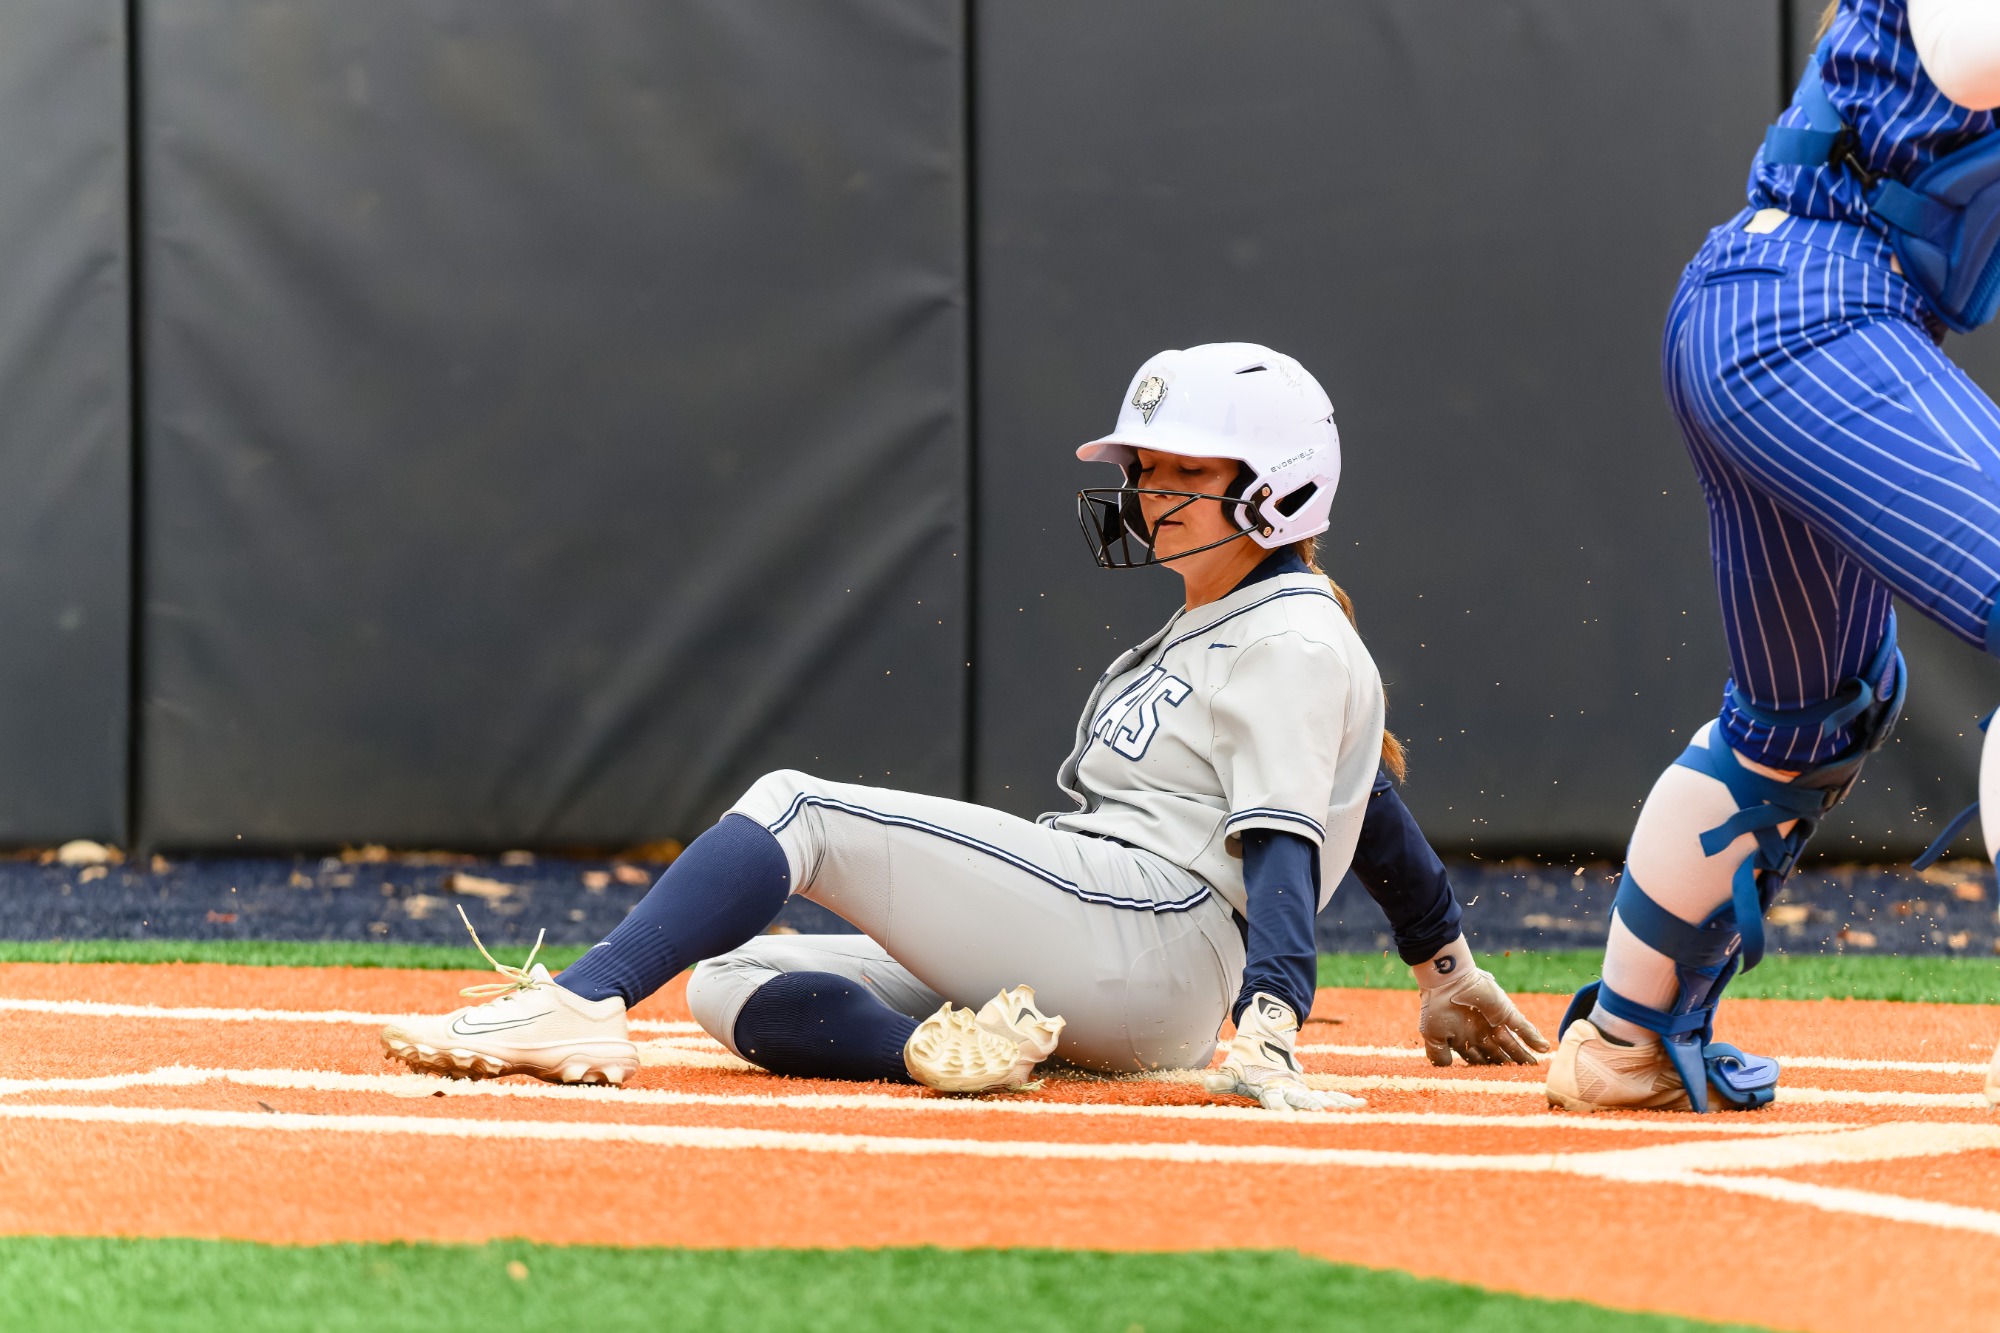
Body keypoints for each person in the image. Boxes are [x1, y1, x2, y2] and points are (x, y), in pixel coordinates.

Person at [382, 342, 1544, 1107]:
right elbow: (1369, 800)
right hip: (1120, 956)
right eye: (1147, 469)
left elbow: (1288, 839)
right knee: (725, 972)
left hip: (1152, 931)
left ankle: (578, 1002)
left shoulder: (1286, 634)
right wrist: (1443, 968)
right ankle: (937, 1054)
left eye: (1185, 469)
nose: (1150, 494)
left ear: (1279, 487)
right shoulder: (1243, 626)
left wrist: (1276, 1020)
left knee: (798, 807)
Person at [1549, 0, 2000, 1112]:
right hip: (1807, 310)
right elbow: (1969, 55)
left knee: (1804, 720)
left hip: (1785, 314)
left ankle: (1621, 1044)